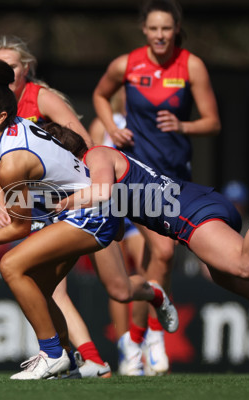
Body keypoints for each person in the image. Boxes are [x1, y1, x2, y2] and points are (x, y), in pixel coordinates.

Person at [0, 53, 178, 380]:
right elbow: (1, 161)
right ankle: (70, 363)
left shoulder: (12, 163)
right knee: (40, 288)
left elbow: (19, 227)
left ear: (1, 116)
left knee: (11, 265)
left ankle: (51, 354)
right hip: (85, 210)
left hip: (92, 212)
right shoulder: (15, 128)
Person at [48, 124, 249, 346]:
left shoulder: (95, 155)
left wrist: (61, 204)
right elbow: (118, 231)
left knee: (244, 265)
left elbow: (104, 192)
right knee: (226, 275)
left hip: (189, 212)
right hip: (193, 206)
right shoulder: (94, 175)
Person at [92, 0, 220, 375]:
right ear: (144, 30)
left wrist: (184, 126)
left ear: (176, 29)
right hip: (139, 176)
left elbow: (212, 122)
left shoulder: (191, 65)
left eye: (167, 28)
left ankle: (134, 337)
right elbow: (100, 95)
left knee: (160, 259)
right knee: (162, 253)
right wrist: (111, 128)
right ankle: (148, 335)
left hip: (177, 176)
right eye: (154, 29)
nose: (160, 35)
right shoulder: (126, 64)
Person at [0, 35, 111, 378]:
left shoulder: (43, 98)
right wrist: (0, 201)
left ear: (26, 69)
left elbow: (86, 144)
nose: (5, 71)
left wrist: (87, 189)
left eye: (12, 65)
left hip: (77, 205)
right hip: (36, 207)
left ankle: (72, 357)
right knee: (43, 286)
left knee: (118, 289)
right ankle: (81, 359)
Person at [88, 88, 146, 344]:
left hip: (142, 206)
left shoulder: (147, 122)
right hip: (111, 206)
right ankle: (127, 349)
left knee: (149, 271)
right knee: (118, 281)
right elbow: (89, 165)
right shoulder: (101, 124)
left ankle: (143, 339)